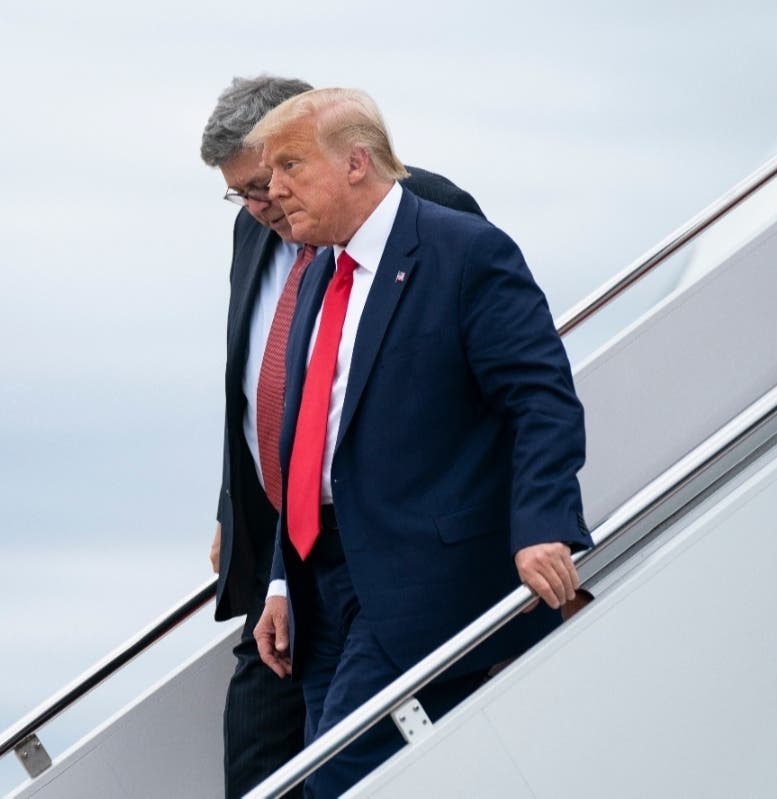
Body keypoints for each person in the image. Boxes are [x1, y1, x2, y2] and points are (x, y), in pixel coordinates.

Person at [246, 88, 593, 797]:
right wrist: (282, 575)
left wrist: (541, 526)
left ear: (355, 162)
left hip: (420, 576)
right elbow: (315, 442)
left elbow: (540, 397)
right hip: (322, 584)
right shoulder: (319, 273)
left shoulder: (463, 249)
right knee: (341, 769)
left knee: (336, 774)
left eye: (289, 165)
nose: (273, 188)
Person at [199, 76, 485, 799]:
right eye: (242, 193)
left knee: (342, 766)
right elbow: (271, 381)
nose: (264, 206)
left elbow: (484, 393)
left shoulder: (430, 213)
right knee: (259, 766)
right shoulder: (254, 230)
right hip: (288, 557)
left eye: (269, 180)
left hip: (389, 554)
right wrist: (236, 508)